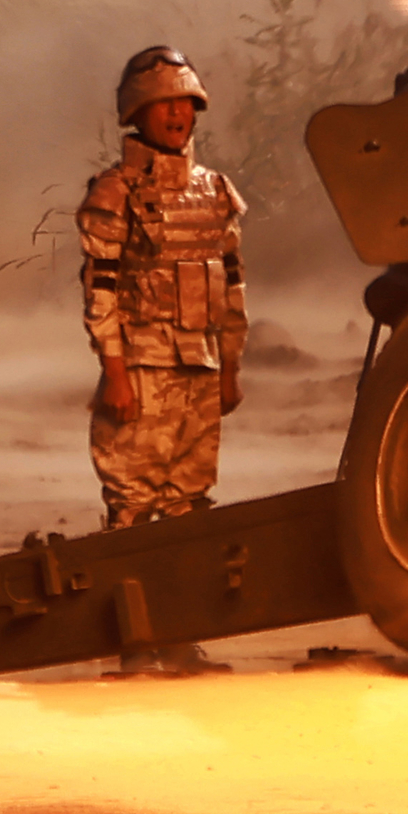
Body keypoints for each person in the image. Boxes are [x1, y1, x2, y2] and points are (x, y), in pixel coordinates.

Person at [79, 45, 247, 536]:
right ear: (137, 112)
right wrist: (114, 371)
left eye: (185, 101)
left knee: (191, 506)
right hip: (141, 372)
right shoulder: (116, 192)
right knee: (131, 507)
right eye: (163, 102)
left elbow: (232, 287)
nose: (177, 112)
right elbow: (101, 290)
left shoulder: (215, 190)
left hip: (202, 367)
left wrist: (230, 366)